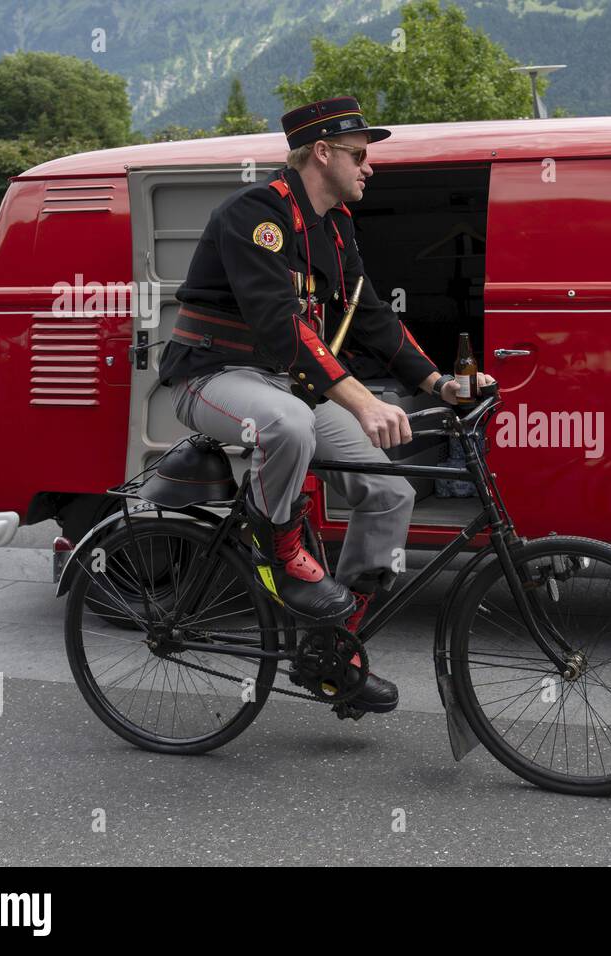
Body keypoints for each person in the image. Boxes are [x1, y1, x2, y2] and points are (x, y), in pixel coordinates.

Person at [159, 95, 491, 715]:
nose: (370, 167)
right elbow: (282, 324)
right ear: (323, 152)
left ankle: (335, 647)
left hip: (284, 384)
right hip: (211, 377)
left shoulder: (336, 227)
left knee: (392, 493)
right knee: (285, 426)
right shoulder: (255, 214)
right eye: (361, 155)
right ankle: (280, 552)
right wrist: (363, 400)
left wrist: (439, 384)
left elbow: (372, 320)